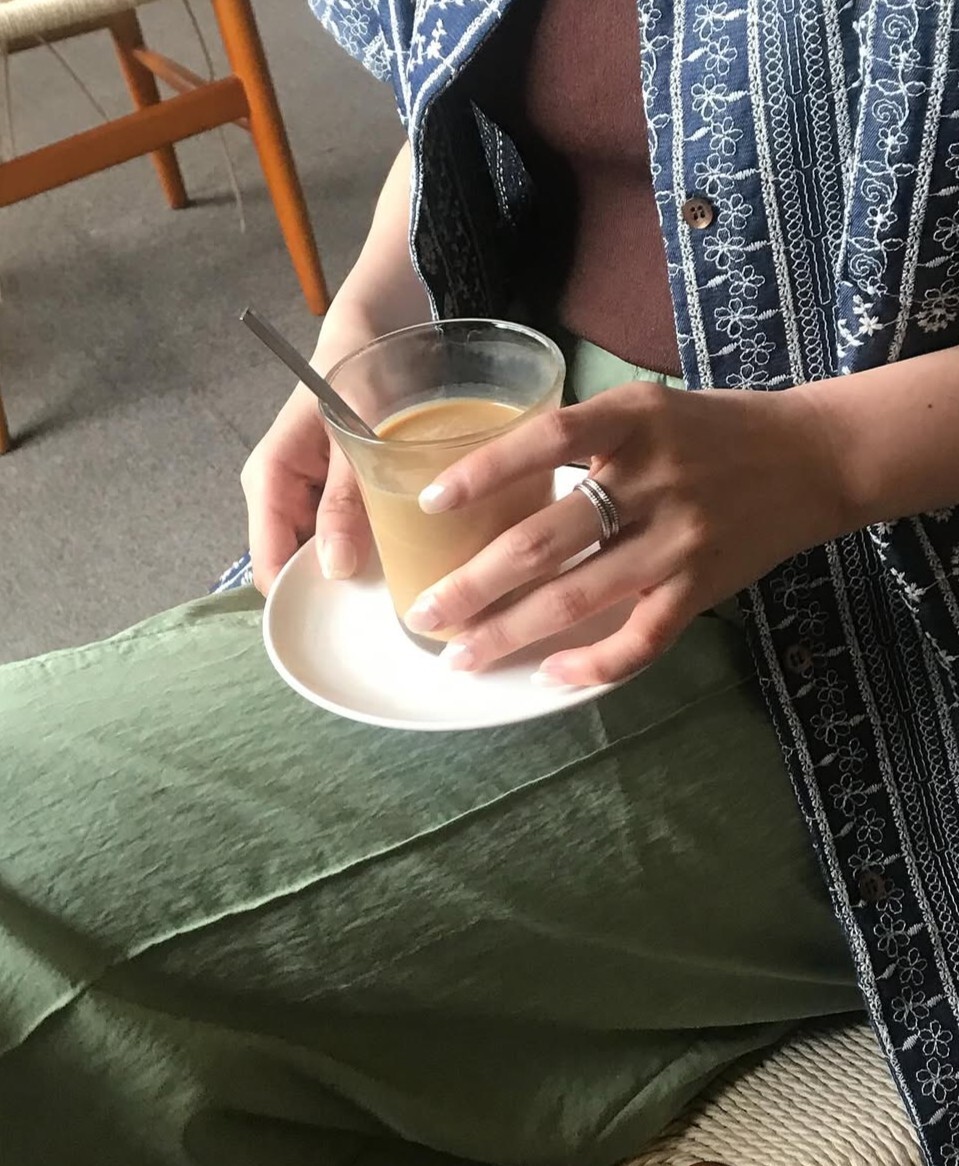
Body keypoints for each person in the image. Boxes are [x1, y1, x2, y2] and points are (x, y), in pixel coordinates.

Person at [3, 0, 959, 1163]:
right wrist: (373, 312)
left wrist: (827, 453)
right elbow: (465, 105)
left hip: (879, 619)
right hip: (516, 476)